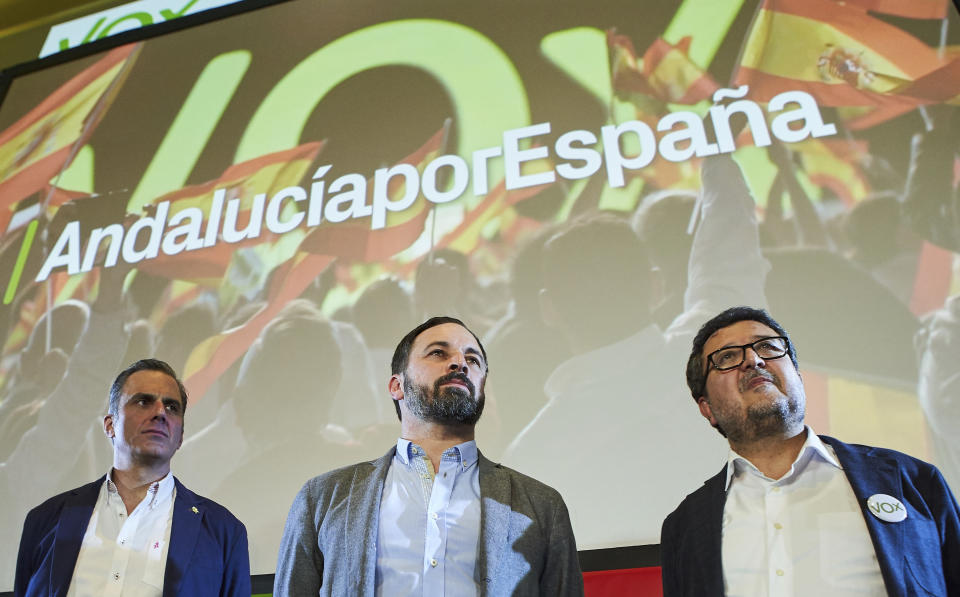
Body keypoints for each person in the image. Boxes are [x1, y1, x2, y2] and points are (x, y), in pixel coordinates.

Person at [660, 306, 960, 597]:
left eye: (767, 347)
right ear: (707, 408)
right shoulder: (684, 527)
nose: (753, 360)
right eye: (727, 357)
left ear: (799, 378)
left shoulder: (912, 480)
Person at [274, 316, 583, 597]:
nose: (460, 363)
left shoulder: (542, 506)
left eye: (473, 360)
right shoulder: (322, 498)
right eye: (439, 353)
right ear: (397, 386)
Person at [14, 359, 251, 597]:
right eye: (143, 401)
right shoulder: (45, 519)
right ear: (110, 425)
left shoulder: (224, 532)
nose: (160, 412)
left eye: (171, 407)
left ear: (179, 437)